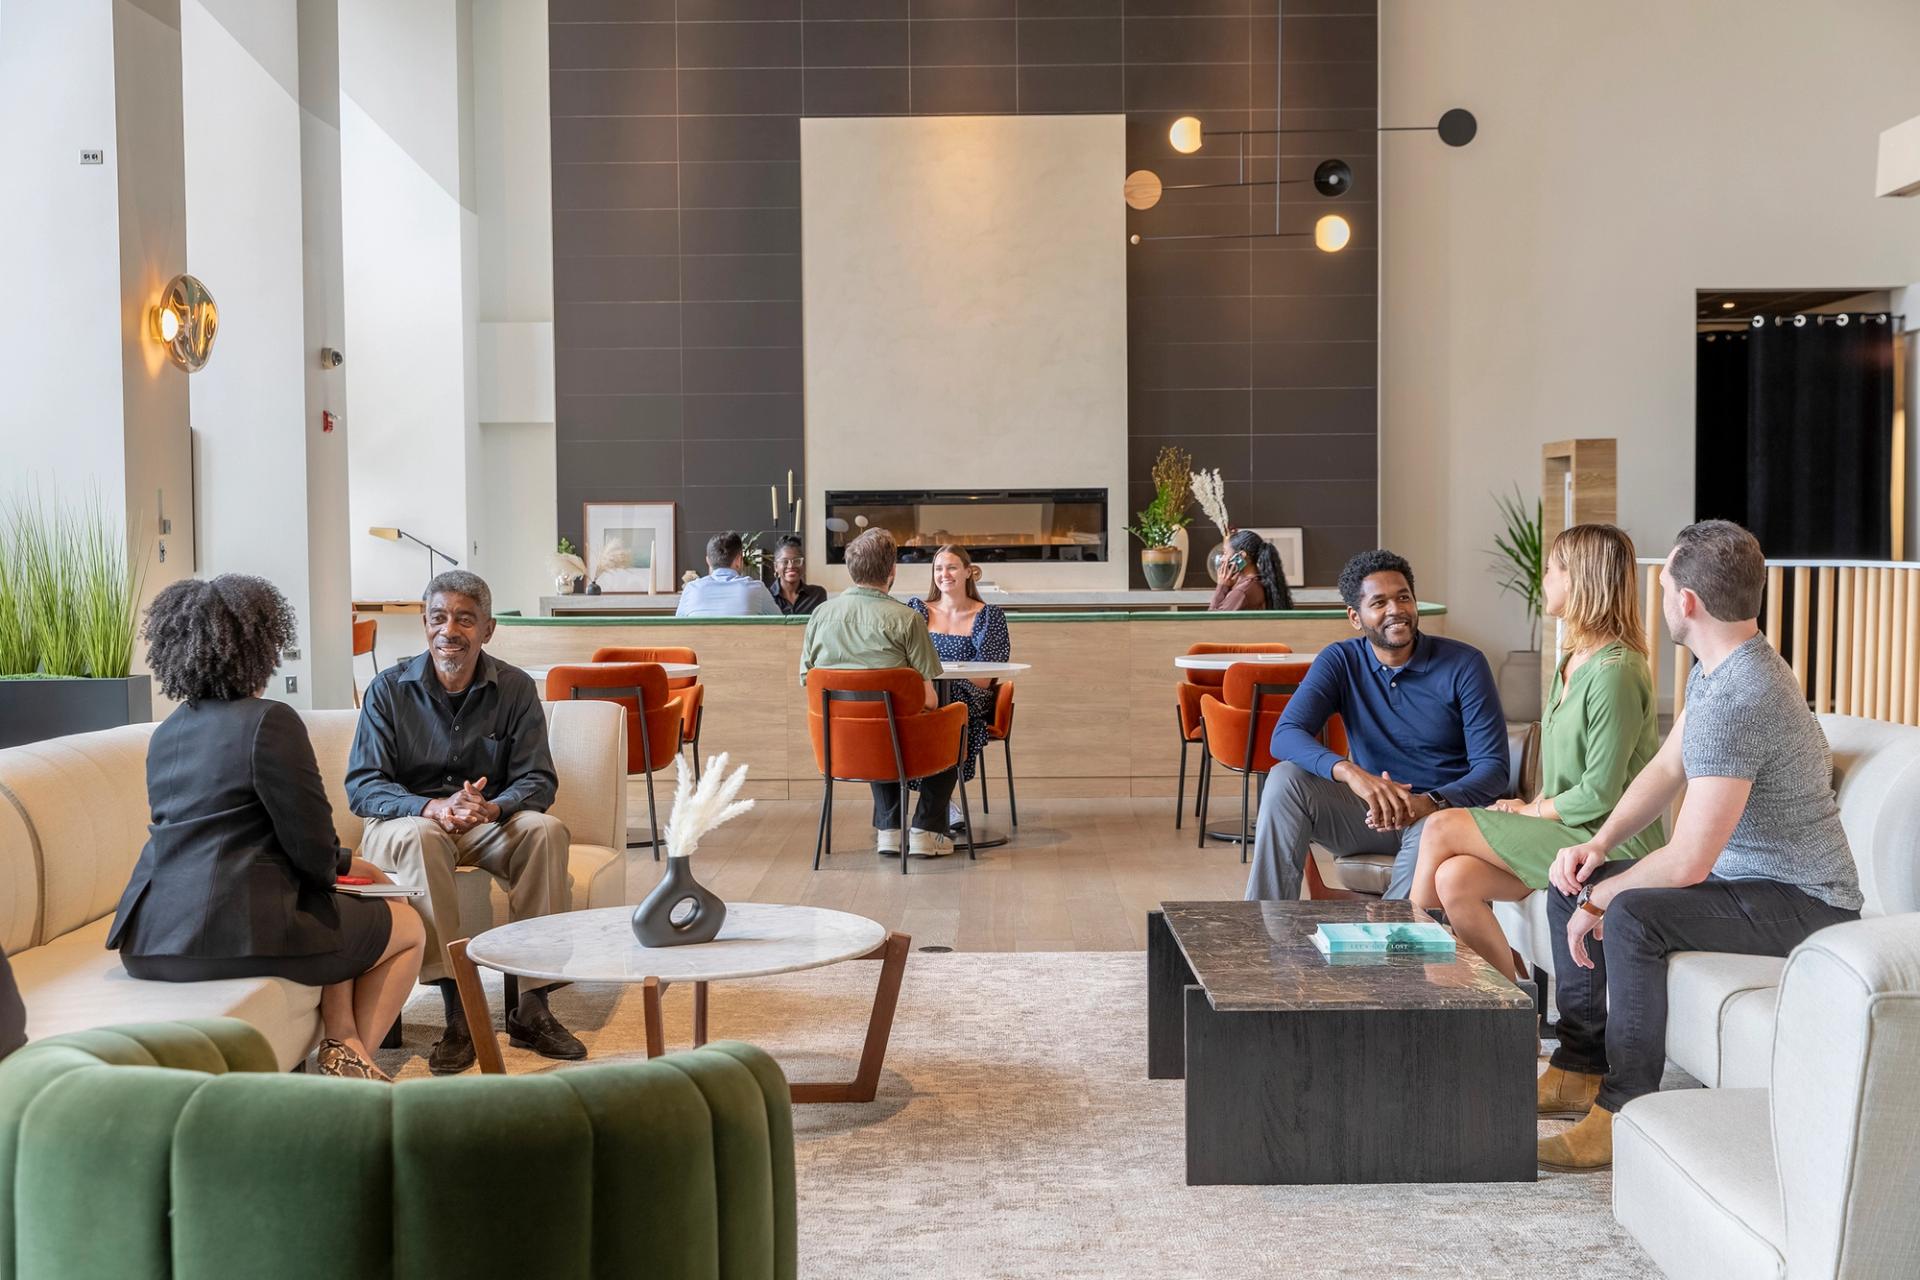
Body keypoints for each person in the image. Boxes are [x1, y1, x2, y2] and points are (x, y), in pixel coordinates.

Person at [1533, 520, 1861, 1172]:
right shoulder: (1719, 670)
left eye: (1663, 589)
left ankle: (1624, 1110)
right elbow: (1662, 771)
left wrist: (1603, 898)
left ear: (1686, 602)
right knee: (1567, 879)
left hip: (1804, 901)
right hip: (1748, 883)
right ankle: (1579, 1062)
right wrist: (1596, 848)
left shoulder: (1744, 695)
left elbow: (1689, 862)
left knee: (1631, 913)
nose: (1660, 602)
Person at [106, 575, 426, 1081]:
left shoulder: (167, 732)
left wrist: (336, 872)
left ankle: (343, 1045)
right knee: (407, 927)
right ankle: (347, 1066)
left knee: (331, 906)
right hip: (235, 935)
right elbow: (312, 846)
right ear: (260, 647)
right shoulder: (269, 721)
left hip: (148, 941)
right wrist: (357, 869)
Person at [347, 570, 581, 1074]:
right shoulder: (388, 690)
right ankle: (457, 1010)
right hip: (408, 823)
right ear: (425, 625)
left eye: (464, 619)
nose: (449, 630)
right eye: (438, 618)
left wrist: (493, 807)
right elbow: (362, 785)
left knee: (544, 830)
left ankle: (533, 1005)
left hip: (482, 820)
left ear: (488, 630)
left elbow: (539, 779)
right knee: (423, 838)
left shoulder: (515, 688)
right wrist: (430, 807)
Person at [1409, 524, 1659, 979]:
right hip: (1568, 829)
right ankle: (1509, 1016)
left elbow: (1600, 795)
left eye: (1551, 570)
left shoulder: (1616, 673)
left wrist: (1529, 812)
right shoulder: (1571, 660)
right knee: (1455, 879)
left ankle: (1404, 955)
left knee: (1442, 825)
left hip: (1612, 839)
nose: (1542, 580)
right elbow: (1564, 772)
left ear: (1579, 579)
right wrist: (1534, 804)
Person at [1244, 549, 1509, 902]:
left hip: (1442, 815)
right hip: (1372, 815)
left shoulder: (1464, 664)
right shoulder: (1341, 660)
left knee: (1431, 834)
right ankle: (1263, 930)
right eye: (1379, 602)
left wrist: (1428, 802)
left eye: (1403, 598)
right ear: (1356, 616)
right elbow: (1285, 735)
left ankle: (1387, 947)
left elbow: (1493, 771)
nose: (1396, 610)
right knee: (1285, 780)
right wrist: (1352, 773)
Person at [798, 528, 957, 857]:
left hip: (840, 745)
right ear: (892, 570)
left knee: (872, 718)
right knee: (953, 724)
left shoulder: (819, 616)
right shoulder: (908, 620)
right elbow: (929, 700)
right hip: (899, 746)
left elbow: (808, 680)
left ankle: (888, 830)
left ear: (851, 570)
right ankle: (925, 830)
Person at [908, 545, 1011, 822]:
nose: (945, 574)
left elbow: (984, 676)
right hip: (925, 696)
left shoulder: (989, 617)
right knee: (909, 710)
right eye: (939, 568)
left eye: (952, 567)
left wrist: (934, 675)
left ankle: (938, 806)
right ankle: (941, 804)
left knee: (947, 707)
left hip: (969, 697)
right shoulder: (916, 611)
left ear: (968, 571)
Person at [677, 533, 780, 617]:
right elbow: (781, 627)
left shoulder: (691, 589)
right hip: (743, 642)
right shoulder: (757, 589)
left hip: (700, 643)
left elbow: (677, 630)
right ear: (739, 560)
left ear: (708, 561)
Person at [1209, 529, 1293, 611]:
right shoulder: (1257, 582)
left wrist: (1222, 586)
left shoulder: (1243, 591)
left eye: (1225, 553)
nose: (1222, 559)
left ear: (1241, 555)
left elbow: (1211, 622)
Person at [771, 535, 826, 616]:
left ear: (803, 565)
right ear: (776, 567)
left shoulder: (817, 594)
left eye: (797, 561)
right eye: (785, 561)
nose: (791, 566)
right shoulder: (767, 596)